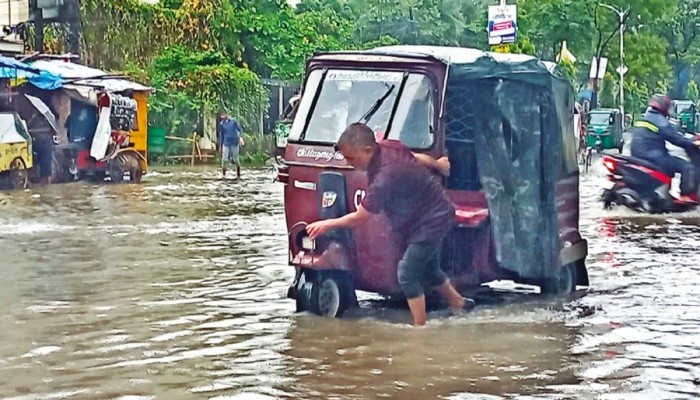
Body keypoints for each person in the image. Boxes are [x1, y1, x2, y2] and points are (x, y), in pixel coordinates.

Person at [306, 123, 474, 326]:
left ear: (368, 151)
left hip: (433, 219)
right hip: (424, 216)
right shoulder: (389, 146)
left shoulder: (385, 176)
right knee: (429, 268)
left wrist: (327, 224)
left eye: (351, 158)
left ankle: (419, 329)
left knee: (407, 273)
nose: (349, 163)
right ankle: (459, 303)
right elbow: (414, 156)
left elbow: (359, 218)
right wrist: (438, 165)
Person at [630, 94, 700, 201]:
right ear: (664, 106)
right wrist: (692, 143)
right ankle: (687, 197)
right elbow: (674, 138)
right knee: (686, 166)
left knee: (671, 163)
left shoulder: (645, 117)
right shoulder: (658, 119)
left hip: (639, 156)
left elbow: (674, 132)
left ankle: (667, 193)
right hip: (653, 157)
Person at [218, 110, 244, 179]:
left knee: (236, 159)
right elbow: (222, 135)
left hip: (234, 142)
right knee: (224, 159)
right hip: (226, 143)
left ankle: (238, 175)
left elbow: (240, 129)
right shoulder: (221, 124)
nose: (222, 117)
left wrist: (241, 138)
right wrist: (220, 146)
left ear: (226, 115)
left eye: (224, 115)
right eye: (221, 115)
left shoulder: (233, 121)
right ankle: (224, 175)